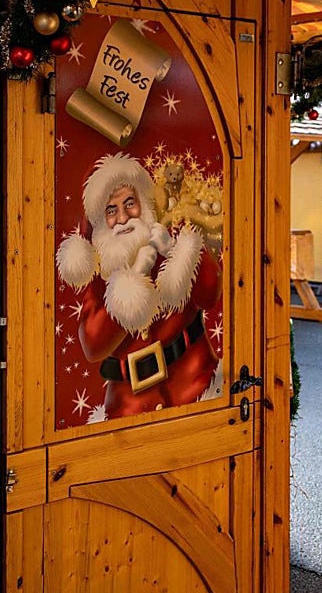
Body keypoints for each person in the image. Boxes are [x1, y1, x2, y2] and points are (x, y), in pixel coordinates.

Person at [56, 152, 221, 419]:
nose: (122, 218)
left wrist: (177, 251)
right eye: (111, 210)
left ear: (143, 204)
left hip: (198, 388)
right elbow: (93, 345)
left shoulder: (169, 247)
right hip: (129, 410)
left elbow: (211, 294)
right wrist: (135, 275)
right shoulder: (101, 278)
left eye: (129, 204)